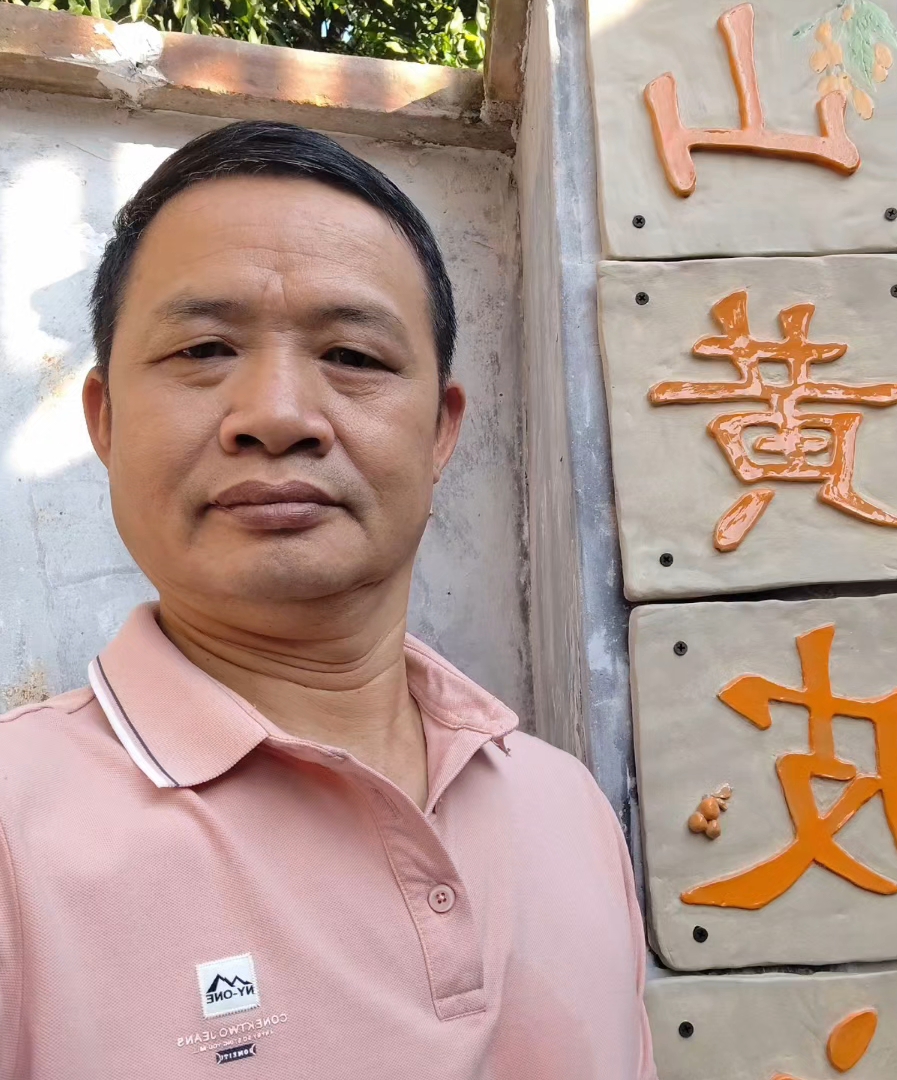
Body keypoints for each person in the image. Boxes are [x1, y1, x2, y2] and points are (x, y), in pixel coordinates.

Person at [0, 121, 656, 1079]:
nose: (277, 416)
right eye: (205, 347)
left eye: (353, 356)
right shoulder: (15, 837)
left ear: (441, 431)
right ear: (105, 420)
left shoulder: (566, 808)